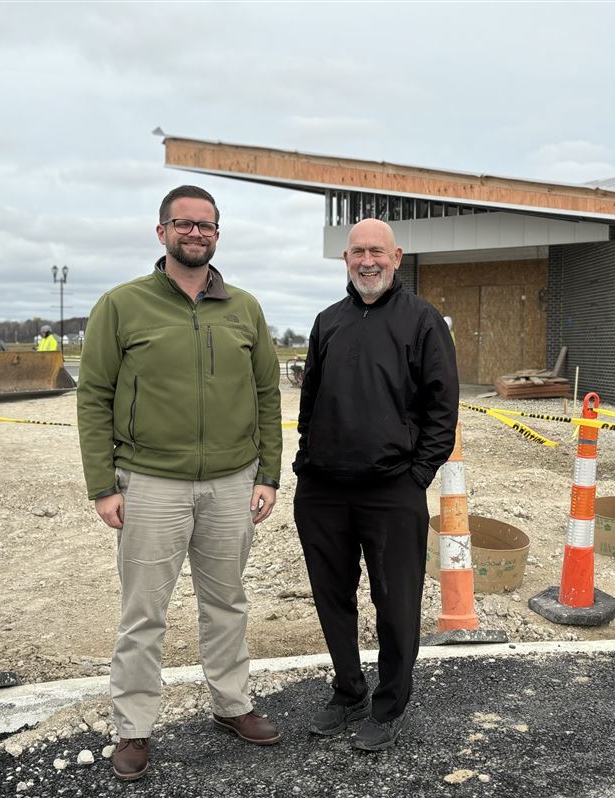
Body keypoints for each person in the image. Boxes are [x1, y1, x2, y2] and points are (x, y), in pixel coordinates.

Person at [77, 185, 283, 781]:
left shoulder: (244, 308)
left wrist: (266, 472)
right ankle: (134, 727)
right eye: (184, 224)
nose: (196, 234)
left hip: (231, 482)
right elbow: (94, 397)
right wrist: (103, 485)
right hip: (150, 482)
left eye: (206, 226)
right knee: (144, 612)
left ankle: (232, 704)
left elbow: (268, 395)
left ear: (218, 234)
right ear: (161, 230)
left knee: (227, 602)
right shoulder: (122, 305)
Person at [293, 218, 458, 752]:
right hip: (323, 490)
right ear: (345, 259)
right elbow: (310, 401)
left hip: (392, 490)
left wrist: (417, 475)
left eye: (377, 252)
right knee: (331, 597)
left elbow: (442, 409)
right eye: (358, 251)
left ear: (397, 256)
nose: (368, 261)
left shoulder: (423, 321)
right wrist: (305, 460)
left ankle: (389, 706)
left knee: (396, 602)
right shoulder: (328, 322)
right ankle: (348, 691)